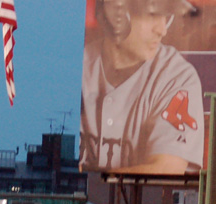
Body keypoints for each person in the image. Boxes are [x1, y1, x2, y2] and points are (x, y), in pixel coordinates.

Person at [80, 0, 202, 174]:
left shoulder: (176, 76)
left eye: (166, 17)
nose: (162, 30)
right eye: (152, 15)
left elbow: (166, 169)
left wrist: (91, 182)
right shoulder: (76, 67)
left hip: (139, 202)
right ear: (115, 12)